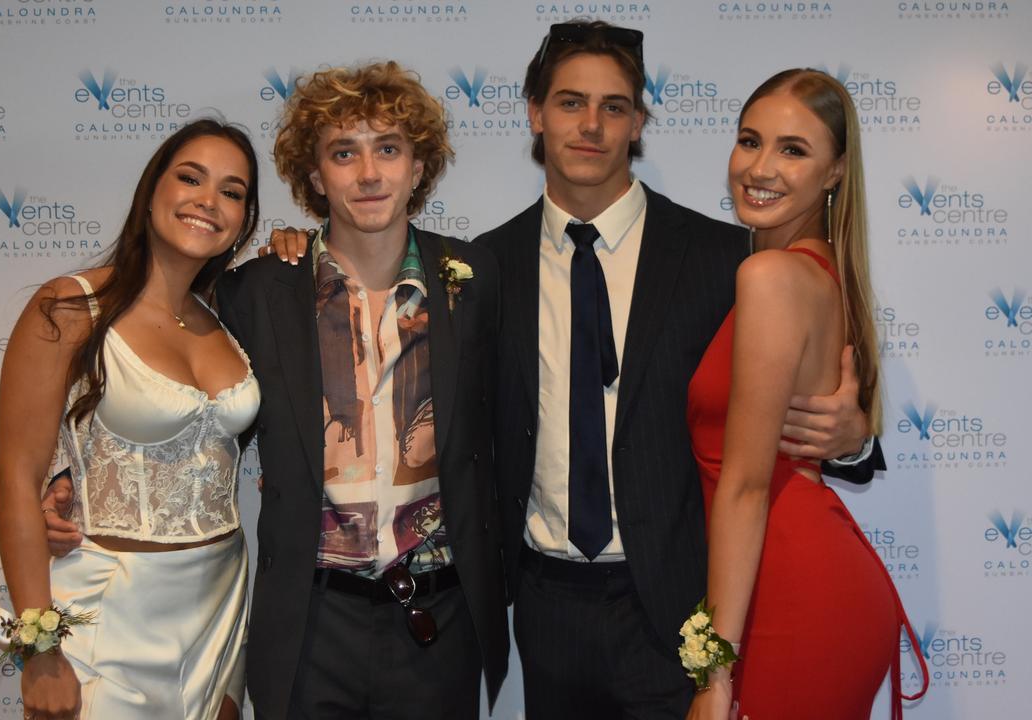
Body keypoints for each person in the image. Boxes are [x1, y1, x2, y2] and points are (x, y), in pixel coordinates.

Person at [262, 22, 881, 719]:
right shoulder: (478, 270)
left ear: (639, 122)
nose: (590, 125)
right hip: (544, 605)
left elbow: (805, 396)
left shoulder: (724, 258)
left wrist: (853, 437)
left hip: (679, 602)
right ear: (534, 112)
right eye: (568, 102)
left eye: (613, 106)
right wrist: (294, 247)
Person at [219, 62, 506, 719]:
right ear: (316, 176)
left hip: (436, 621)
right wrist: (69, 476)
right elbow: (184, 402)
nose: (368, 174)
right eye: (344, 153)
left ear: (418, 166)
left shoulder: (473, 278)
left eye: (388, 149)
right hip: (310, 623)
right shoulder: (260, 292)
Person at [0, 118, 262, 720]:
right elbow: (17, 475)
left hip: (220, 607)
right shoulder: (68, 308)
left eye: (232, 191)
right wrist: (38, 650)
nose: (207, 202)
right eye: (190, 178)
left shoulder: (226, 316)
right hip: (110, 615)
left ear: (244, 219)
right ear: (151, 191)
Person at [684, 69, 928, 720]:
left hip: (788, 593)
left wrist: (713, 672)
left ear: (834, 173)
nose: (760, 167)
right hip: (782, 580)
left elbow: (745, 486)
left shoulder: (771, 276)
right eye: (749, 140)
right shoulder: (815, 271)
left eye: (793, 150)